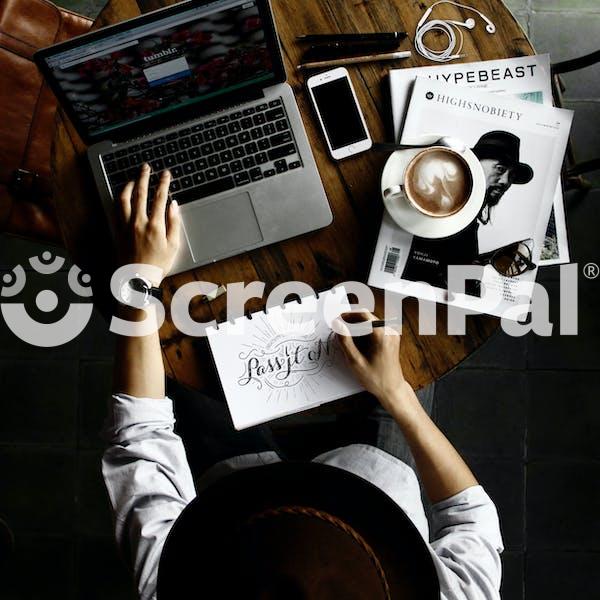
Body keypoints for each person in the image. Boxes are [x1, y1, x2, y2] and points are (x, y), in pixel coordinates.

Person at [102, 164, 504, 599]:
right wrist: (395, 393)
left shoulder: (173, 585)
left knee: (181, 361)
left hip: (234, 488)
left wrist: (138, 279)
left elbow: (140, 435)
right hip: (377, 477)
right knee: (399, 318)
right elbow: (470, 516)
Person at [401, 130, 534, 291]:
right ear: (475, 163)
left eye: (511, 175)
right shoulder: (444, 208)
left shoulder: (468, 217)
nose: (505, 181)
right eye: (500, 169)